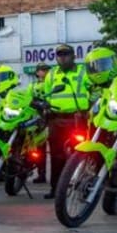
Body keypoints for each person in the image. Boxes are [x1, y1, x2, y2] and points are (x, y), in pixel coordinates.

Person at [43, 44, 91, 199]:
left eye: (66, 54)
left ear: (73, 56)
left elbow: (95, 90)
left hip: (77, 119)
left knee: (82, 154)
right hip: (56, 119)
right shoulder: (51, 74)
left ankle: (84, 187)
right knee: (56, 156)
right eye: (59, 54)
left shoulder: (84, 71)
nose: (62, 57)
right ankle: (56, 189)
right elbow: (46, 95)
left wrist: (90, 106)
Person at [29, 62, 51, 184]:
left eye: (47, 70)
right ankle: (41, 174)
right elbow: (27, 99)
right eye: (43, 70)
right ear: (37, 72)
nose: (45, 72)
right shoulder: (32, 85)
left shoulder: (53, 83)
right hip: (37, 118)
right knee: (39, 148)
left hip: (51, 116)